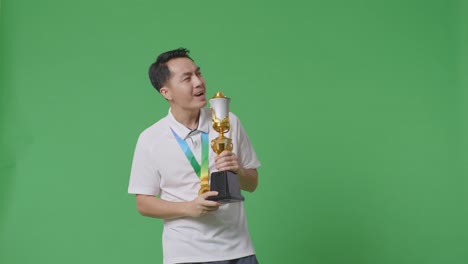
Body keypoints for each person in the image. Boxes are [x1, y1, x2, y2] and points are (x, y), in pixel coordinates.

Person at [128, 48, 261, 264]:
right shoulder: (150, 138)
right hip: (186, 255)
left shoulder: (229, 121)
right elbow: (143, 203)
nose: (198, 82)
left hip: (239, 251)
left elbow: (252, 183)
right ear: (166, 92)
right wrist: (188, 208)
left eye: (198, 73)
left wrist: (238, 170)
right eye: (187, 78)